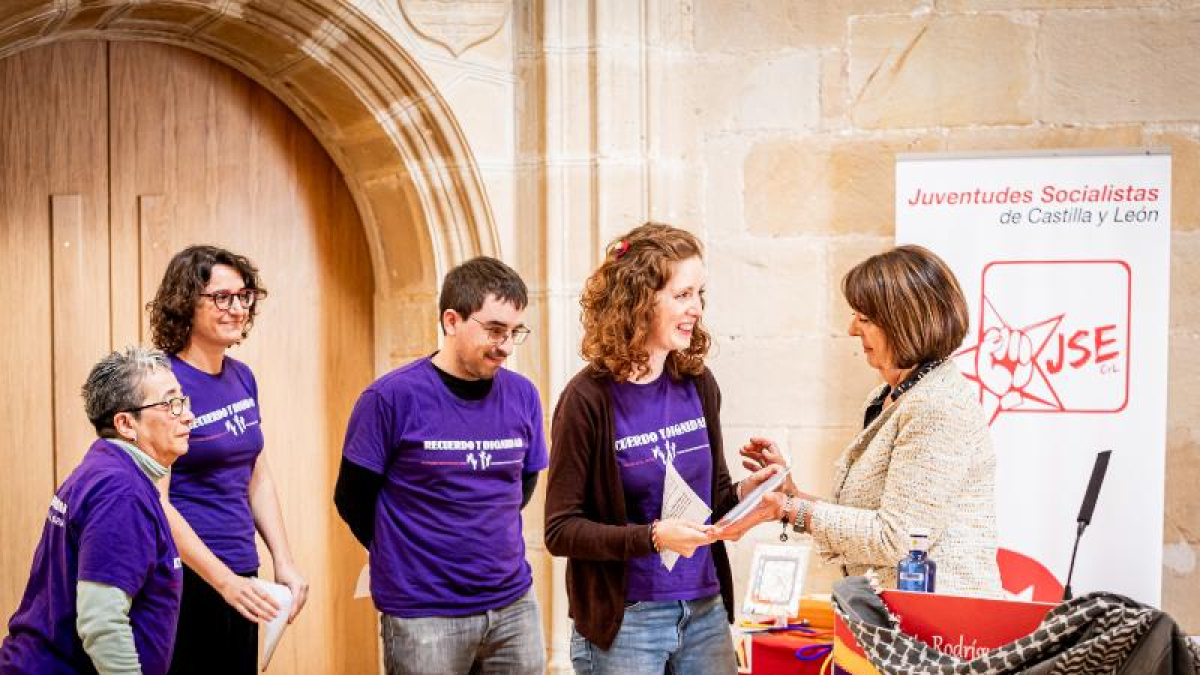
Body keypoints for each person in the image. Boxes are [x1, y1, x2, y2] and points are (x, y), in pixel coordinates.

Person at [544, 222, 782, 675]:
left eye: (699, 294)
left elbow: (712, 498)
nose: (696, 309)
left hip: (704, 610)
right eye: (682, 295)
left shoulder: (697, 382)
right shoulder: (586, 400)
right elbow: (560, 530)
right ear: (638, 300)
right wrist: (651, 536)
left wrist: (750, 490)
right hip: (627, 621)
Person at [717, 244, 1002, 597]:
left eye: (864, 319)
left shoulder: (936, 407)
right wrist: (791, 493)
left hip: (941, 631)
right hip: (893, 619)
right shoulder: (886, 397)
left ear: (906, 324)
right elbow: (864, 518)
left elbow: (896, 538)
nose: (852, 329)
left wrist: (791, 510)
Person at [334, 256, 548, 675]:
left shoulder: (523, 395)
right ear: (451, 320)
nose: (505, 345)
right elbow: (352, 499)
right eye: (493, 330)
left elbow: (520, 486)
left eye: (513, 332)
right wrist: (408, 553)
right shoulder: (390, 398)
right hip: (423, 614)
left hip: (513, 607)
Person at [146, 245, 308, 675]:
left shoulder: (242, 377)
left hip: (242, 570)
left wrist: (283, 562)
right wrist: (223, 581)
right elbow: (155, 501)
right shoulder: (161, 384)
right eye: (222, 297)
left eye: (244, 296)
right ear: (185, 304)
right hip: (187, 577)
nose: (237, 308)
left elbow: (258, 475)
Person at [0, 346, 192, 675]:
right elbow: (101, 623)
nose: (187, 414)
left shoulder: (105, 468)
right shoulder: (122, 491)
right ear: (126, 424)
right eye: (170, 404)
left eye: (183, 400)